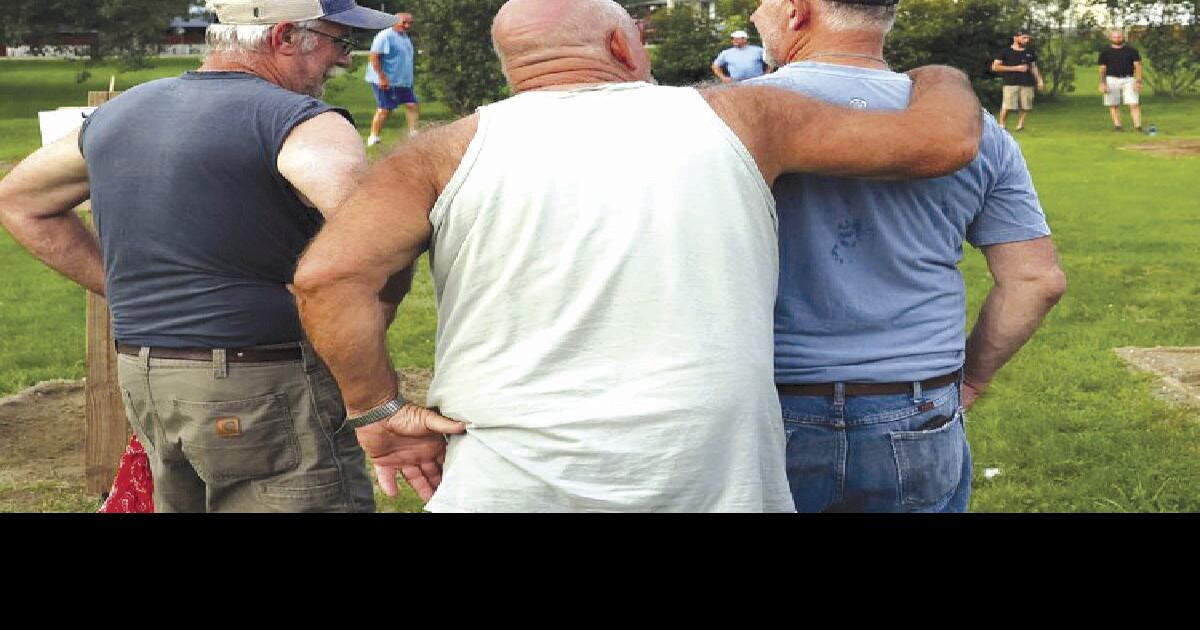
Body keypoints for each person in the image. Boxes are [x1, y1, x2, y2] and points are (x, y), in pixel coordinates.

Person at [291, 0, 984, 512]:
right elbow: (940, 144)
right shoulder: (743, 117)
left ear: (512, 65)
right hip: (707, 473)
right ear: (625, 46)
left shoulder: (441, 153)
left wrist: (379, 413)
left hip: (508, 475)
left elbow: (327, 278)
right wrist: (941, 75)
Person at [0, 0, 405, 512]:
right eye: (339, 41)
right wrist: (370, 334)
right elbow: (375, 241)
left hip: (148, 380)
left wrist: (126, 288)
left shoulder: (119, 114)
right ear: (283, 36)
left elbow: (19, 200)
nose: (345, 59)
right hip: (265, 383)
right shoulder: (301, 122)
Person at [747, 0, 1066, 512]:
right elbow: (1036, 280)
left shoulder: (725, 119)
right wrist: (976, 378)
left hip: (764, 400)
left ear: (795, 10)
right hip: (917, 404)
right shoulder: (975, 126)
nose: (754, 16)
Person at [365, 12, 420, 146]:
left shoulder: (405, 36)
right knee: (385, 109)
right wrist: (382, 77)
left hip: (402, 81)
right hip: (385, 80)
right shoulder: (385, 36)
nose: (407, 26)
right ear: (394, 21)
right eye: (404, 23)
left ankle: (413, 134)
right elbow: (373, 57)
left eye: (410, 23)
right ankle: (373, 137)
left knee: (412, 105)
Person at [991, 29, 1044, 131]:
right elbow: (995, 67)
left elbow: (1034, 67)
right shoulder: (1005, 52)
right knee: (1008, 105)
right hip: (1011, 82)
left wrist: (1039, 80)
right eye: (1024, 37)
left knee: (1026, 105)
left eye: (1028, 38)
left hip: (1027, 82)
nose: (1027, 40)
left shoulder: (1029, 52)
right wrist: (1016, 68)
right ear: (1015, 38)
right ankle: (1002, 124)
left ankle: (1020, 124)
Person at [1098, 29, 1143, 132]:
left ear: (1123, 37)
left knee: (1134, 103)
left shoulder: (1132, 51)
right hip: (1111, 79)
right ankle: (1118, 126)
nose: (1117, 39)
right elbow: (1102, 69)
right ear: (1110, 38)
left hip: (1128, 79)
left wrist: (1138, 81)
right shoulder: (1105, 52)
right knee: (1113, 104)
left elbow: (1138, 66)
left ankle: (1138, 126)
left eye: (1119, 37)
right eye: (1114, 37)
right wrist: (1102, 83)